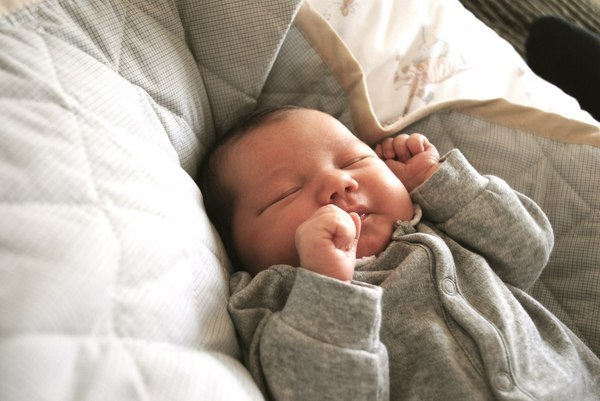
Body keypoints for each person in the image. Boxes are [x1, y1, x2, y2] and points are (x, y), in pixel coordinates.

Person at [200, 107, 600, 400]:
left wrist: (437, 180)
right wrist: (327, 284)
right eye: (285, 193)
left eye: (355, 161)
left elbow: (528, 253)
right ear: (236, 248)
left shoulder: (440, 223)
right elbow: (319, 392)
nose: (339, 182)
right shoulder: (275, 298)